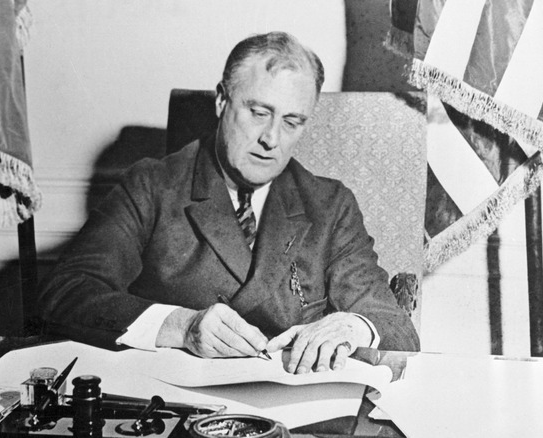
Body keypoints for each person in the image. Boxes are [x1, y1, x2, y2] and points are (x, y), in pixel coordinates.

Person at [38, 31, 420, 374]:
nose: (272, 139)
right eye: (259, 113)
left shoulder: (330, 204)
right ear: (222, 101)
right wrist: (182, 326)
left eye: (292, 122)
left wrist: (352, 326)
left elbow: (395, 326)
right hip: (174, 409)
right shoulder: (153, 186)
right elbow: (66, 293)